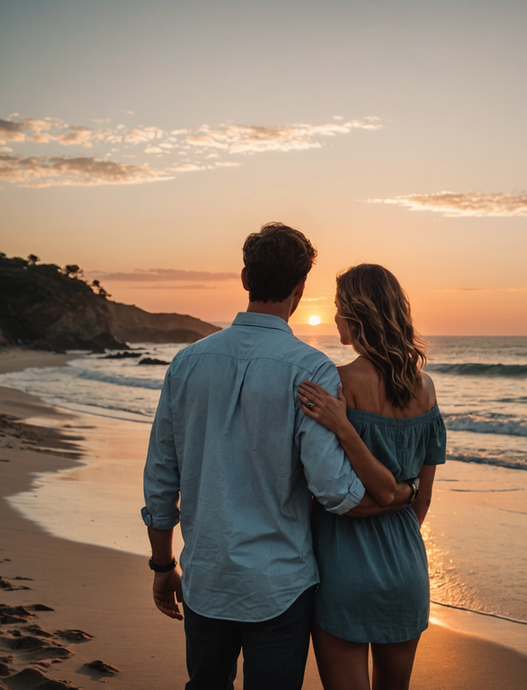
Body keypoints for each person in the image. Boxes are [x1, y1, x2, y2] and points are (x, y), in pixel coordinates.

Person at [141, 224, 413, 690]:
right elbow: (335, 493)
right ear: (301, 288)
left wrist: (164, 566)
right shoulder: (310, 369)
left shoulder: (187, 363)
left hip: (207, 578)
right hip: (280, 585)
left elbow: (162, 480)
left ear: (245, 278)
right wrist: (401, 494)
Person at [297, 264, 447, 690]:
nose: (334, 317)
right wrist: (393, 531)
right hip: (406, 567)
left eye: (339, 308)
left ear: (357, 315)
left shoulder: (339, 384)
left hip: (341, 566)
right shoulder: (427, 389)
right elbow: (423, 498)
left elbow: (318, 484)